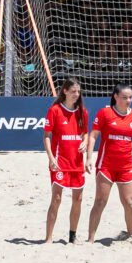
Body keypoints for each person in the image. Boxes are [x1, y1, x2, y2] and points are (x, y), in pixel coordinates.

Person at [85, 83, 132, 243]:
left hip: (126, 167)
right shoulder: (105, 113)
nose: (128, 100)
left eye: (130, 97)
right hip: (106, 166)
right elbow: (93, 135)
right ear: (115, 97)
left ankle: (130, 235)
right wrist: (89, 158)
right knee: (100, 201)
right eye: (124, 97)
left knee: (129, 202)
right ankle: (90, 239)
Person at [43, 77, 88, 244]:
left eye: (78, 91)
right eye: (73, 91)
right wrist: (51, 157)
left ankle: (72, 236)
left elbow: (85, 133)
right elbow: (46, 136)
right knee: (56, 199)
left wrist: (84, 141)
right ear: (65, 91)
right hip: (59, 162)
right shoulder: (54, 110)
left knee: (78, 199)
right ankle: (48, 238)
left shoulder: (82, 112)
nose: (76, 94)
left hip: (77, 162)